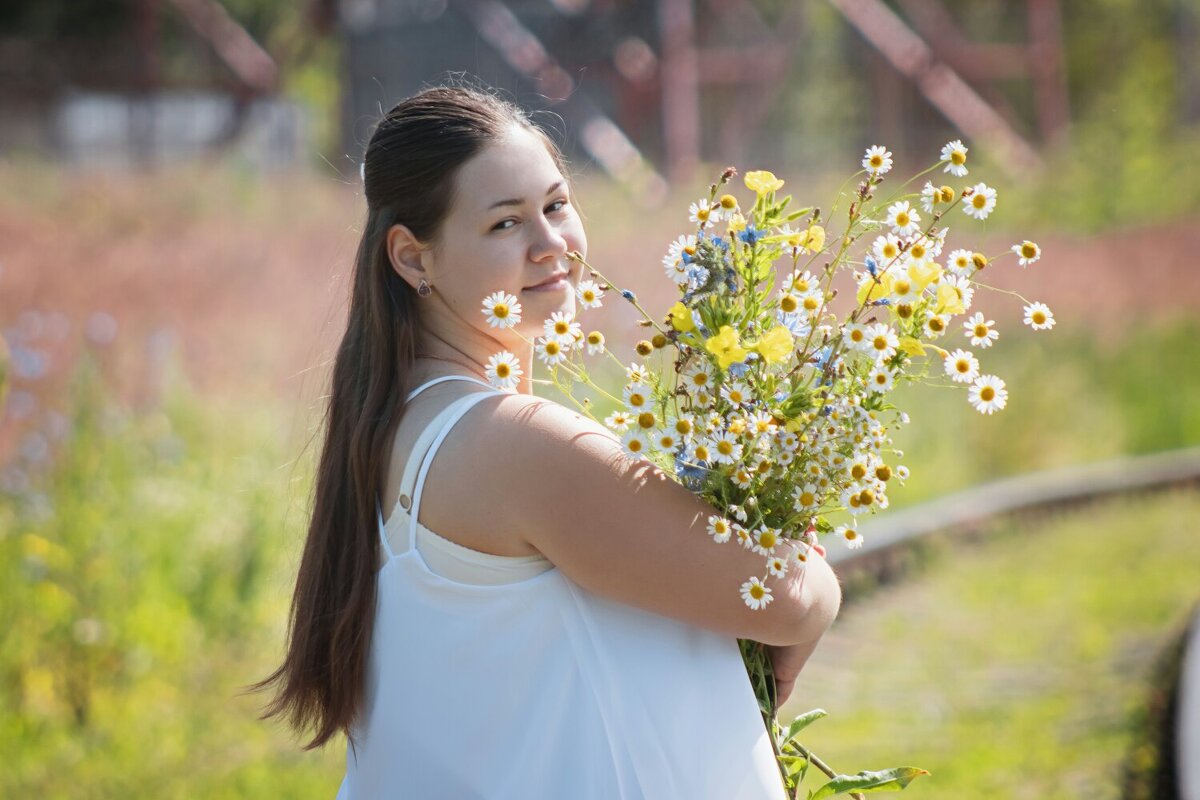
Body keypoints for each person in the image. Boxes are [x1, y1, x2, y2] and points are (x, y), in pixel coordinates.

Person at [248, 80, 843, 799]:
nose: (551, 244)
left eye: (556, 205)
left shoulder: (398, 424)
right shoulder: (516, 445)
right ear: (412, 259)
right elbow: (783, 597)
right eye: (505, 224)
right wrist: (816, 578)